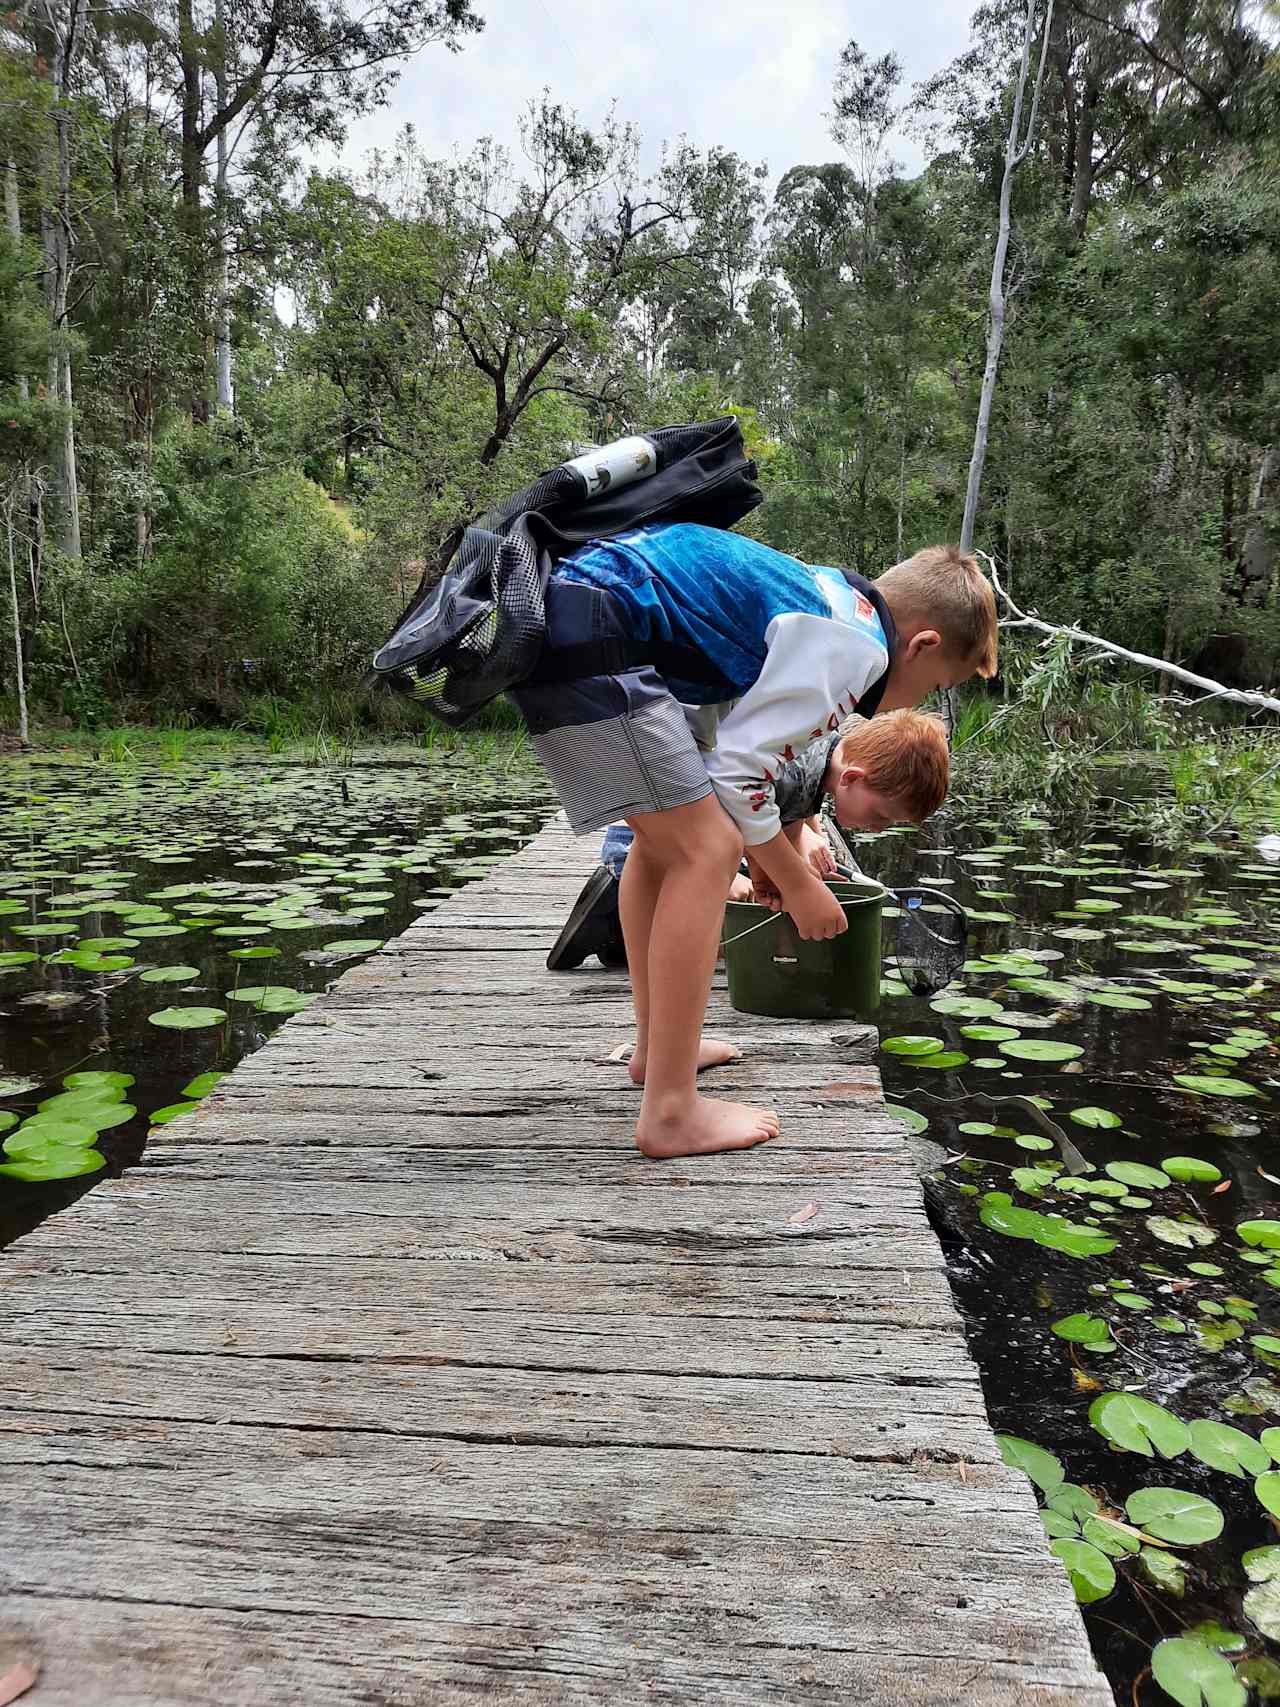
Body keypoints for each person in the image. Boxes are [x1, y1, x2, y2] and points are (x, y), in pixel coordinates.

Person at [509, 523, 997, 1160]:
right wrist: (797, 885)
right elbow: (739, 781)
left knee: (664, 846)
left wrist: (769, 864)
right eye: (934, 685)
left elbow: (721, 734)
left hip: (574, 618)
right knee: (705, 849)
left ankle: (657, 1055)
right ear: (922, 643)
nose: (920, 698)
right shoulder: (854, 648)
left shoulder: (827, 600)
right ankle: (671, 1112)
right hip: (591, 633)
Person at [547, 710, 950, 966]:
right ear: (851, 778)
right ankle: (618, 909)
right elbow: (723, 818)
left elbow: (781, 833)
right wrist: (738, 880)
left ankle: (621, 930)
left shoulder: (817, 752)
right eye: (880, 815)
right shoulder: (793, 772)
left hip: (682, 836)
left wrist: (794, 880)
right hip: (643, 844)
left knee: (758, 917)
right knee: (721, 946)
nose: (877, 828)